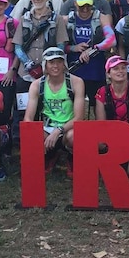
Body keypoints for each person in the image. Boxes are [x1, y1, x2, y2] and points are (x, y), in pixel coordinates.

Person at [24, 47, 86, 175]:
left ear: (64, 64)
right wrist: (36, 134)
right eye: (51, 62)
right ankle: (50, 155)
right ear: (45, 65)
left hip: (68, 128)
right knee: (32, 133)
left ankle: (72, 157)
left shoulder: (76, 82)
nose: (56, 66)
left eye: (59, 62)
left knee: (74, 136)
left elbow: (79, 117)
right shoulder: (36, 85)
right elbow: (28, 118)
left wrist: (59, 130)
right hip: (47, 128)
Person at [64, 0, 116, 112]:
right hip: (74, 71)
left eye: (88, 5)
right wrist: (73, 48)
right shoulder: (67, 20)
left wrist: (93, 49)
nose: (85, 9)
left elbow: (112, 40)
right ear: (75, 4)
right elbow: (59, 45)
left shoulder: (101, 17)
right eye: (82, 6)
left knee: (99, 107)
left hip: (95, 71)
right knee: (73, 108)